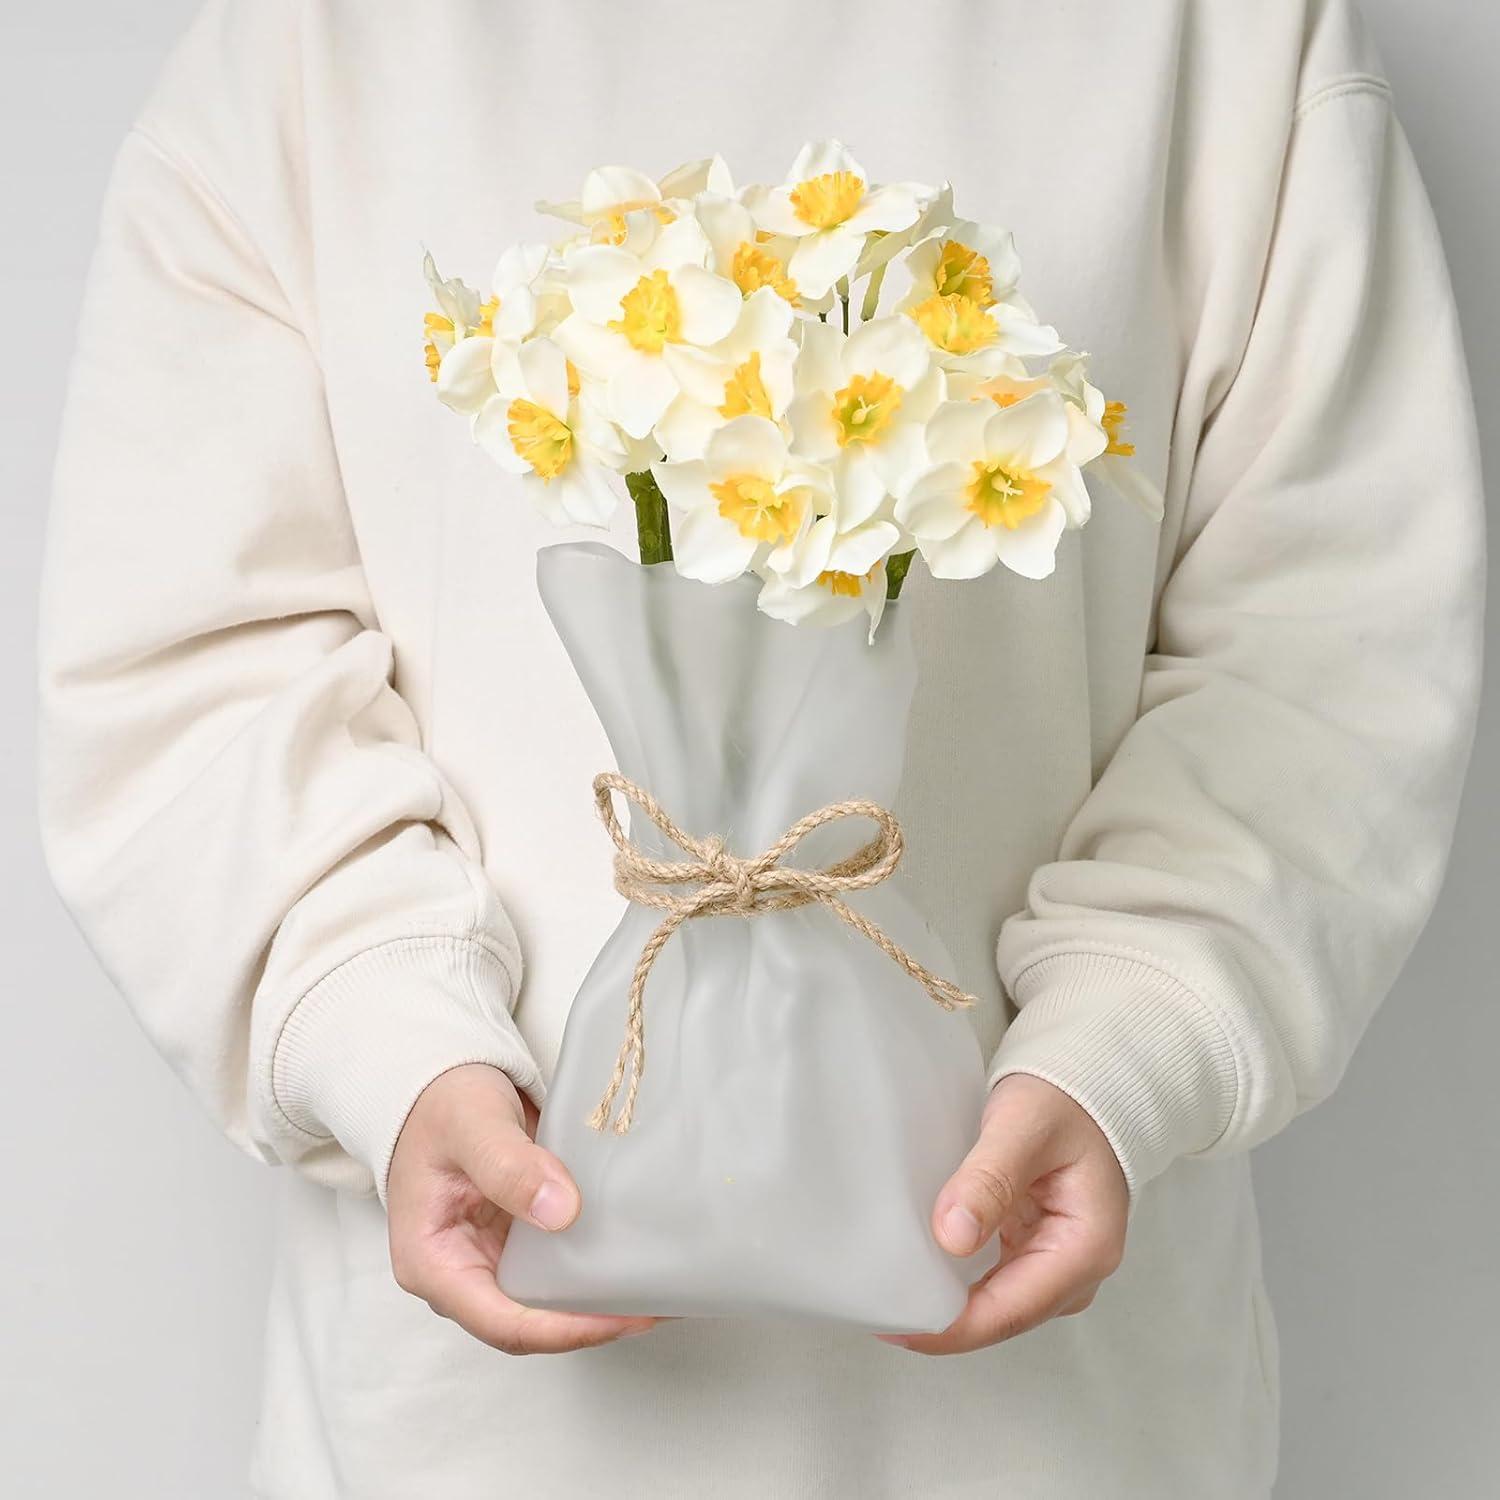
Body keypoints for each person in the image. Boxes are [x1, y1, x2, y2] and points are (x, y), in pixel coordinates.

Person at [38, 1, 1483, 1496]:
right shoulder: (306, 45)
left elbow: (1330, 648)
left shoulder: (1223, 37)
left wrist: (1131, 1036)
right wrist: (394, 1047)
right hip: (468, 1432)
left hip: (1057, 1419)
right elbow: (195, 666)